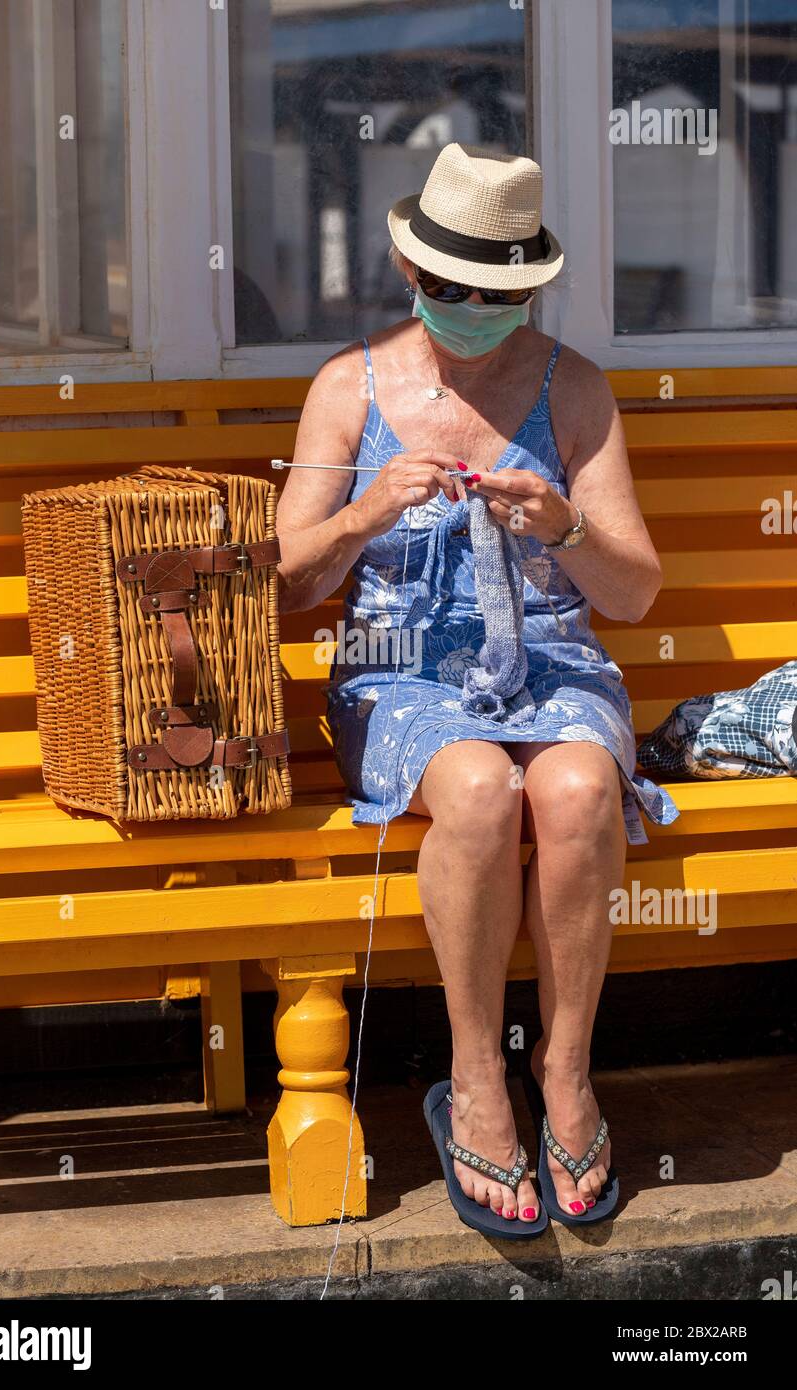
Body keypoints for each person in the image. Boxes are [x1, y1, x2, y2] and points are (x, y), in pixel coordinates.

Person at [276, 142, 679, 1236]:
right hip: (396, 675)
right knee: (475, 792)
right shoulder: (345, 388)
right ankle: (478, 1079)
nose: (470, 310)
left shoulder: (573, 388)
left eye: (496, 295)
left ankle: (564, 1072)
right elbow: (286, 589)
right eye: (451, 289)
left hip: (550, 664)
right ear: (411, 275)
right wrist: (362, 515)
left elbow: (634, 594)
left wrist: (566, 526)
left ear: (528, 288)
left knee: (579, 792)